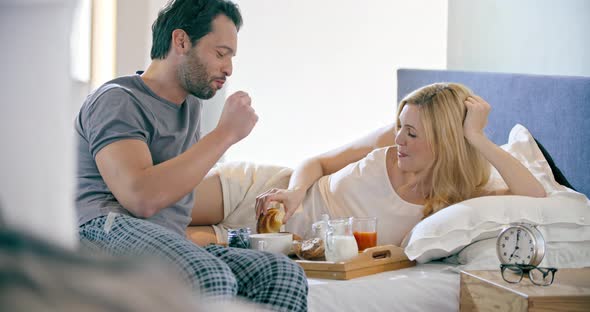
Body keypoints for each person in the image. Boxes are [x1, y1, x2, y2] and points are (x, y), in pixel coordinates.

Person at [75, 0, 308, 310]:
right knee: (206, 276)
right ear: (181, 41)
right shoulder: (118, 100)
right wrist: (224, 135)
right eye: (220, 53)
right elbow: (140, 197)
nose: (228, 68)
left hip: (163, 237)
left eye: (231, 57)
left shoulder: (190, 109)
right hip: (101, 228)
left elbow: (173, 204)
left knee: (282, 275)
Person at [187, 83, 547, 246]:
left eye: (413, 134)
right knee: (148, 206)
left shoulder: (463, 196)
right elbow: (318, 162)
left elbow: (535, 197)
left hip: (268, 242)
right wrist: (295, 193)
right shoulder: (387, 142)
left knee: (151, 240)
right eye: (400, 127)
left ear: (446, 143)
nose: (400, 140)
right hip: (263, 190)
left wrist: (476, 136)